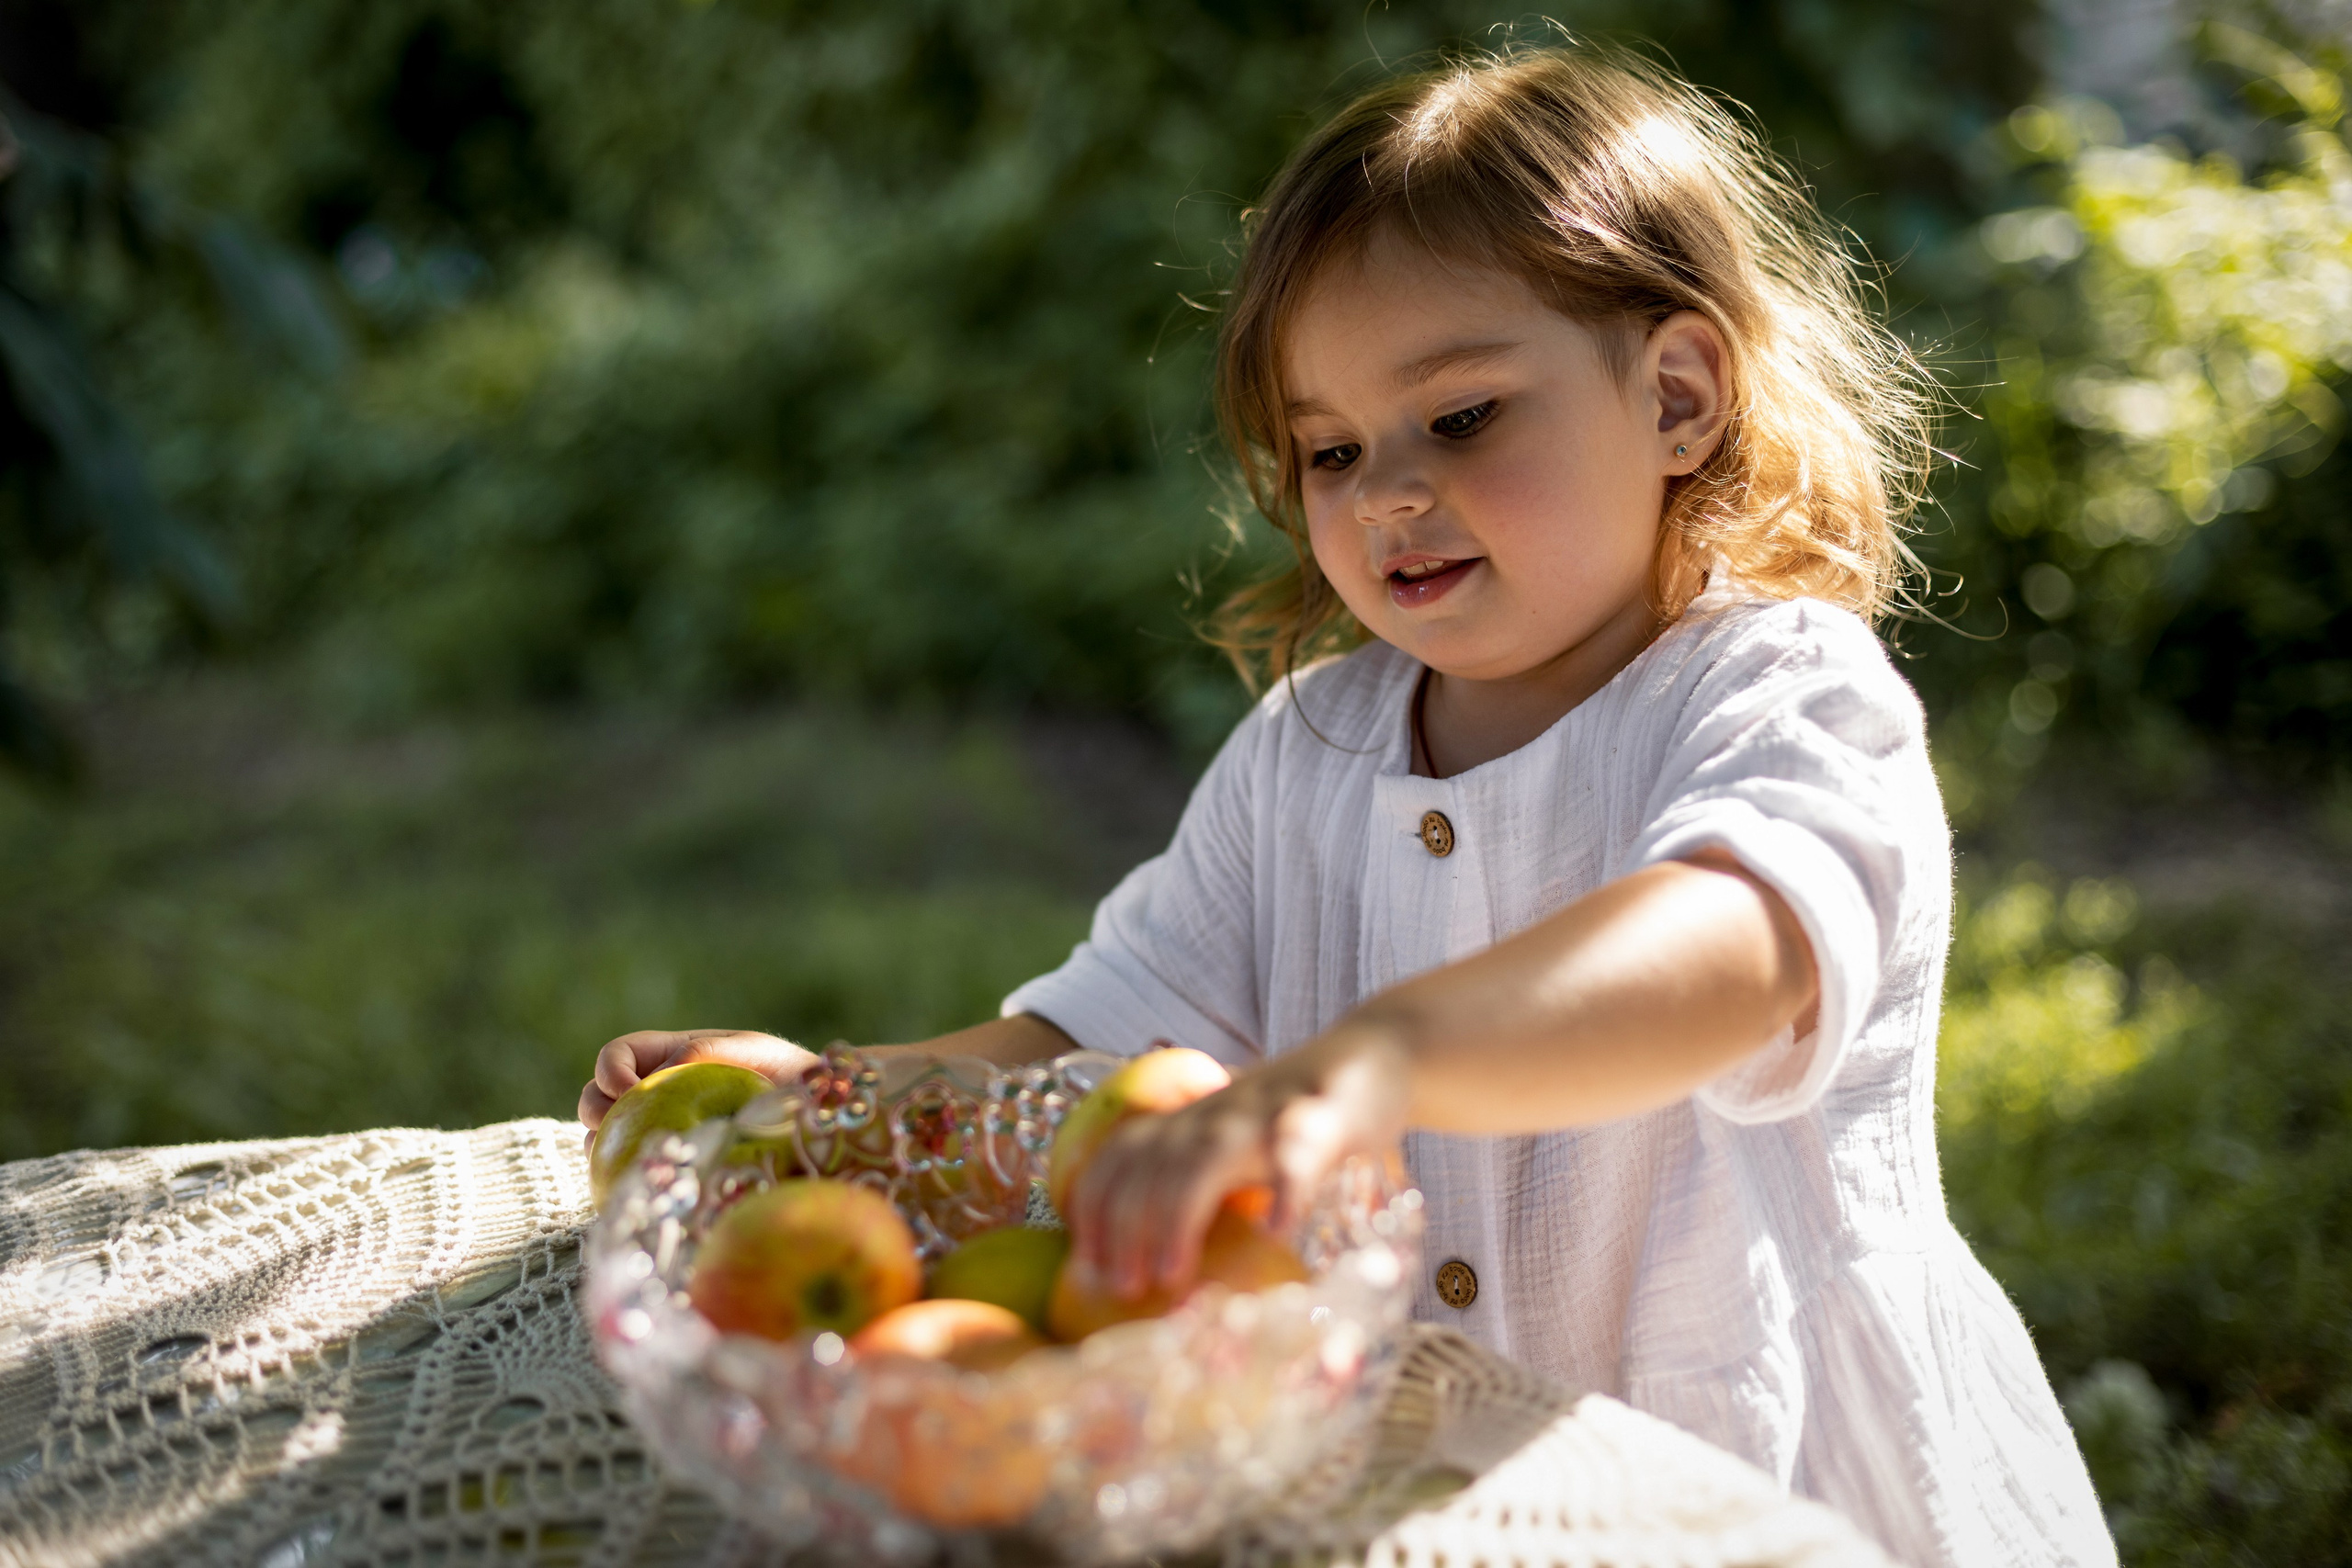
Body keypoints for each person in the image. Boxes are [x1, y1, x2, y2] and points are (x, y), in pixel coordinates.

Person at [577, 45, 2113, 1568]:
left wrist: (1373, 1065)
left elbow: (1728, 952)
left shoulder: (1782, 693)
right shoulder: (1309, 748)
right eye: (1329, 449)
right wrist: (830, 1103)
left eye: (1460, 418)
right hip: (1411, 1488)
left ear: (1679, 394)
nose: (1384, 493)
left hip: (1769, 1480)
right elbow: (1097, 1044)